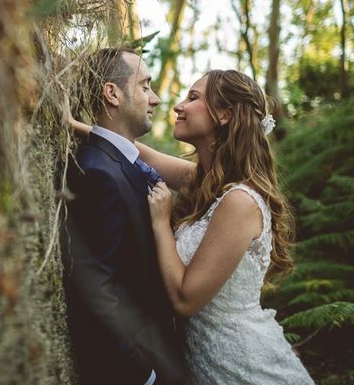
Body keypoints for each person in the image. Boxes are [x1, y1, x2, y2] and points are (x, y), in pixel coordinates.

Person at [70, 68, 314, 384]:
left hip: (243, 366)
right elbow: (133, 151)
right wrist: (73, 125)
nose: (177, 105)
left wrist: (160, 223)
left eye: (193, 97)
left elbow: (185, 300)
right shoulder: (206, 181)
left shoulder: (240, 201)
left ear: (224, 114)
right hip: (204, 363)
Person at [62, 48, 186, 385]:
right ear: (112, 93)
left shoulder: (117, 162)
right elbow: (94, 295)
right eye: (145, 86)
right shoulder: (98, 173)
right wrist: (143, 375)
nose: (156, 98)